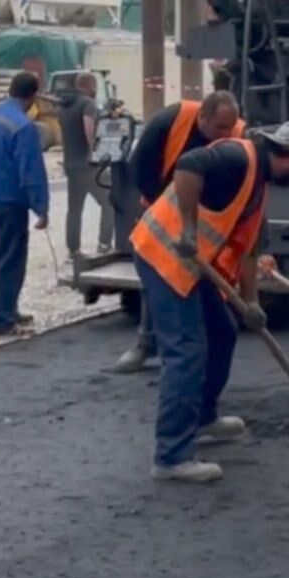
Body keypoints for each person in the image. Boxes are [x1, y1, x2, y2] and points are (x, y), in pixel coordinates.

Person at [130, 122, 289, 484]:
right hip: (164, 254)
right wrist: (187, 229)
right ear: (288, 156)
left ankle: (203, 418)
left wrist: (250, 303)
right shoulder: (237, 156)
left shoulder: (258, 184)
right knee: (187, 351)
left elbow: (249, 250)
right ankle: (171, 456)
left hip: (193, 266)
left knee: (223, 331)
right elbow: (188, 165)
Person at [112, 90, 248, 373]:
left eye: (230, 127)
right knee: (159, 276)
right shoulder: (170, 120)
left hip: (208, 217)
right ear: (202, 118)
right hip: (162, 211)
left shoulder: (240, 134)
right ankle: (147, 343)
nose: (226, 134)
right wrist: (166, 213)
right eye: (219, 128)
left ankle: (199, 344)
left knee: (203, 282)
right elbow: (141, 168)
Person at [0, 71, 50, 337]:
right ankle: (2, 319)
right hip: (9, 203)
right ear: (33, 96)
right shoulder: (24, 127)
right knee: (10, 260)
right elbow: (31, 171)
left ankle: (6, 308)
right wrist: (41, 207)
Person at [58, 72, 113, 258]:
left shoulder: (64, 105)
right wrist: (95, 152)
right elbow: (89, 127)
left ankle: (73, 250)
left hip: (70, 163)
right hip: (88, 164)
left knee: (74, 208)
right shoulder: (87, 104)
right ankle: (104, 244)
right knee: (109, 201)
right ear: (90, 85)